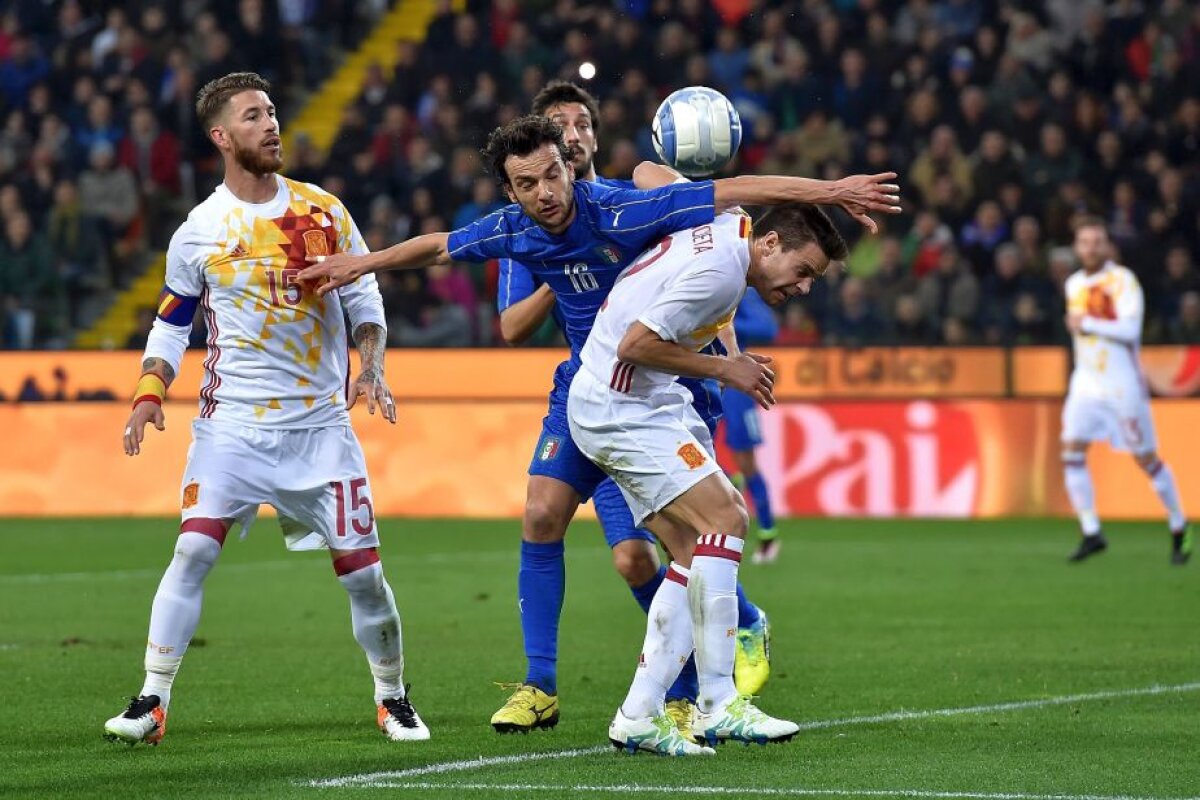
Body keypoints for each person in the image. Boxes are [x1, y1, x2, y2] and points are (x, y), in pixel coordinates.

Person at [103, 73, 429, 747]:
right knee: (192, 549)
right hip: (232, 428)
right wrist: (148, 394)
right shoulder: (199, 231)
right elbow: (171, 323)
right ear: (222, 137)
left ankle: (393, 697)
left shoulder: (323, 212)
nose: (272, 124)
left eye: (273, 111)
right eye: (254, 116)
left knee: (365, 578)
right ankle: (152, 700)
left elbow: (364, 300)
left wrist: (372, 367)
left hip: (320, 430)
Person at [489, 81, 769, 738]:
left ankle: (713, 658)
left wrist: (726, 350)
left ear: (592, 137)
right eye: (558, 125)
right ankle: (540, 684)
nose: (572, 135)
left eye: (582, 124)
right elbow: (509, 326)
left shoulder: (629, 204)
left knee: (646, 557)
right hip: (582, 390)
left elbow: (705, 258)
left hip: (648, 394)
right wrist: (562, 270)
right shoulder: (526, 227)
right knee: (541, 514)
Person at [568, 203, 848, 755]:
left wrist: (732, 352)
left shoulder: (730, 226)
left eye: (813, 279)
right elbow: (635, 345)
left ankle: (639, 714)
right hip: (619, 406)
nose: (804, 288)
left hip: (633, 401)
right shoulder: (722, 270)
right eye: (803, 271)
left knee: (692, 552)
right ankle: (720, 701)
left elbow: (652, 173)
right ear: (770, 244)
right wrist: (726, 367)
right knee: (728, 516)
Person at [1061, 218, 1191, 565]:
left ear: (1107, 246)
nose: (1091, 248)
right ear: (1076, 247)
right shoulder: (1074, 284)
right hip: (1086, 383)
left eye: (1097, 241)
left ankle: (1179, 526)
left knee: (1146, 460)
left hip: (1122, 386)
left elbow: (1130, 330)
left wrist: (1086, 323)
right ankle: (1091, 532)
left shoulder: (1123, 281)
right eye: (1085, 242)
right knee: (1071, 453)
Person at [720, 287, 781, 564]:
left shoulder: (738, 290)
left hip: (735, 385)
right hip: (697, 377)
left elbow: (767, 328)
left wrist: (723, 324)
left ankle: (768, 534)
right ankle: (726, 487)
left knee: (747, 462)